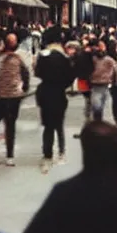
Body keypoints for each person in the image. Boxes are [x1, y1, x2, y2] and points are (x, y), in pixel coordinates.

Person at [34, 26, 75, 174]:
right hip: (59, 93)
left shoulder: (42, 55)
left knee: (48, 126)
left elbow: (37, 72)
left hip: (45, 92)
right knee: (59, 124)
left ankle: (47, 154)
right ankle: (61, 151)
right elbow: (70, 77)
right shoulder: (64, 58)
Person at [0, 33, 30, 167]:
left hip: (0, 95)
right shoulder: (18, 59)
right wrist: (24, 89)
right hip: (14, 95)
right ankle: (10, 155)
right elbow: (25, 75)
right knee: (10, 125)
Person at [89, 39, 116, 121]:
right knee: (97, 106)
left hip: (103, 84)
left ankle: (97, 122)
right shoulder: (92, 59)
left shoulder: (108, 60)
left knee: (99, 106)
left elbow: (115, 70)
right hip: (96, 84)